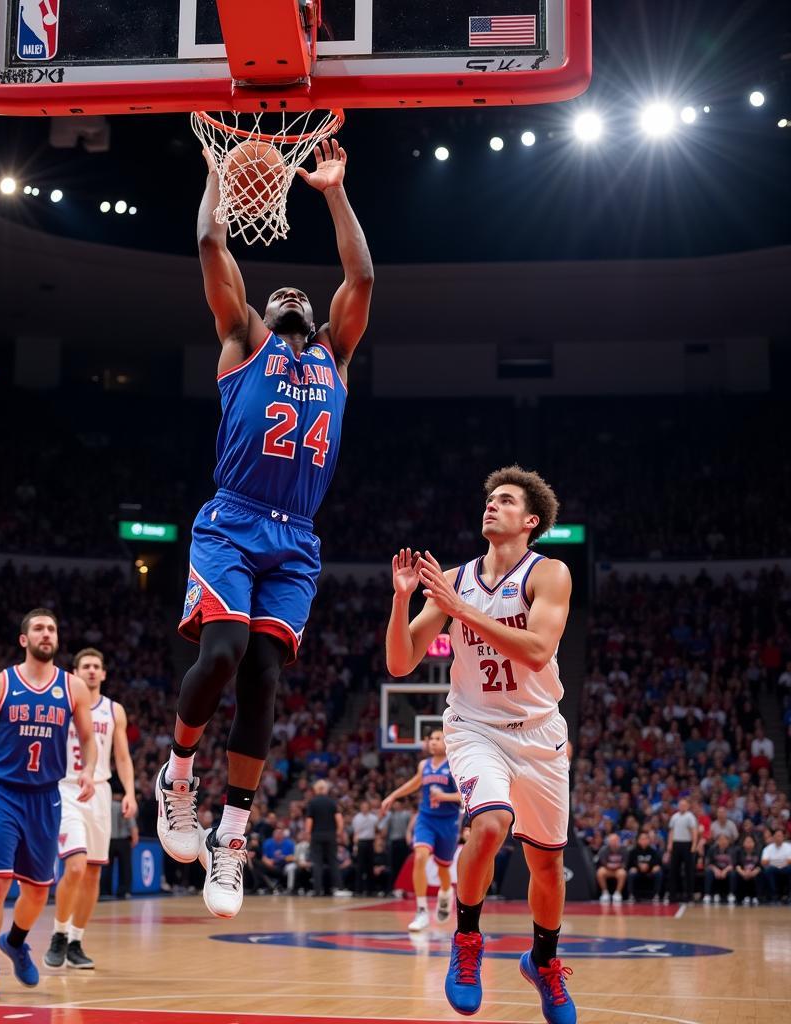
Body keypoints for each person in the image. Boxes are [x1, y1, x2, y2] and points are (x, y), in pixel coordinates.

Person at [155, 137, 374, 920]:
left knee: (265, 680)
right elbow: (212, 241)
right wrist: (217, 175)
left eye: (298, 295)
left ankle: (233, 838)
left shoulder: (336, 359)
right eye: (274, 290)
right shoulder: (243, 342)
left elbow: (362, 277)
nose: (287, 294)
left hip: (298, 538)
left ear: (313, 320)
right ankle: (178, 775)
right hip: (233, 519)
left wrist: (333, 192)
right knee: (223, 653)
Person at [386, 466, 576, 1023]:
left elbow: (538, 650)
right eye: (490, 499)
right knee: (490, 824)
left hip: (540, 733)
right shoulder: (454, 580)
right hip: (474, 727)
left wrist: (460, 610)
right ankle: (466, 940)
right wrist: (403, 602)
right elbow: (400, 662)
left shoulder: (551, 573)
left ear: (531, 520)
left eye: (507, 500)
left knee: (547, 866)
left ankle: (542, 961)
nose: (492, 505)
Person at [0, 609, 95, 1001]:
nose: (46, 633)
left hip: (46, 795)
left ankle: (16, 942)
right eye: (38, 628)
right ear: (24, 639)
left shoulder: (73, 687)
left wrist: (89, 770)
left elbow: (88, 738)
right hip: (2, 792)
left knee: (38, 890)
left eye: (52, 628)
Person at [44, 647, 136, 971]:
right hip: (66, 789)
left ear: (104, 673)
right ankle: (58, 933)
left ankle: (76, 941)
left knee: (94, 871)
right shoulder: (62, 703)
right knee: (76, 866)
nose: (92, 671)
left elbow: (122, 757)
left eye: (97, 666)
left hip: (100, 791)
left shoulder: (114, 710)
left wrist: (129, 792)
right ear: (75, 672)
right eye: (86, 666)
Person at [380, 729, 460, 931]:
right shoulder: (424, 765)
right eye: (431, 739)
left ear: (447, 742)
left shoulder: (455, 765)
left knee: (443, 869)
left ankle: (445, 892)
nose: (433, 742)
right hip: (426, 818)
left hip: (448, 822)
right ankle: (422, 910)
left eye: (438, 739)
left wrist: (444, 797)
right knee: (420, 857)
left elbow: (464, 796)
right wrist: (393, 796)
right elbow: (413, 784)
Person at [305, 779, 343, 897]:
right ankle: (337, 889)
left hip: (316, 836)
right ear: (326, 789)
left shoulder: (312, 803)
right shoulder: (332, 802)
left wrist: (308, 834)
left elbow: (309, 821)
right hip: (331, 835)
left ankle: (317, 890)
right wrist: (338, 833)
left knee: (317, 863)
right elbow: (339, 820)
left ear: (316, 789)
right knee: (333, 862)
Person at [666, 798, 699, 904]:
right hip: (676, 844)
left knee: (689, 871)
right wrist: (670, 844)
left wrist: (694, 844)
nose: (682, 807)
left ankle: (689, 895)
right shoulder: (674, 817)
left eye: (684, 805)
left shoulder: (690, 817)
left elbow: (694, 831)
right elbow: (671, 831)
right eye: (680, 805)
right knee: (674, 870)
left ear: (688, 806)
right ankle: (673, 895)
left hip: (687, 844)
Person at [626, 831, 663, 903]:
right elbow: (630, 863)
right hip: (638, 871)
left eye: (646, 839)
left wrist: (650, 866)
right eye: (642, 839)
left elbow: (658, 862)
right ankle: (631, 895)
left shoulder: (653, 851)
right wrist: (637, 866)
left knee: (658, 872)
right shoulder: (633, 851)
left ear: (649, 840)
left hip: (650, 871)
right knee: (631, 872)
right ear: (638, 840)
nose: (644, 840)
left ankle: (656, 894)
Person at [761, 827, 791, 903]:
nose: (778, 838)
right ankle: (774, 895)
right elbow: (764, 862)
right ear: (773, 837)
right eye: (776, 836)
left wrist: (772, 861)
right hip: (773, 869)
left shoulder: (789, 847)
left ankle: (789, 895)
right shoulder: (768, 848)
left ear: (783, 837)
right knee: (768, 870)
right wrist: (781, 861)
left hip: (786, 868)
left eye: (780, 836)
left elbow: (790, 861)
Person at [595, 833, 628, 904]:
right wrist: (611, 866)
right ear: (609, 841)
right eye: (612, 841)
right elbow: (603, 862)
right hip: (608, 870)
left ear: (618, 841)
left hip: (618, 870)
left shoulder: (623, 849)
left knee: (622, 873)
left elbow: (625, 863)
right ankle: (605, 892)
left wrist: (616, 866)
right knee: (600, 872)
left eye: (615, 840)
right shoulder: (604, 849)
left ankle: (618, 893)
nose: (614, 842)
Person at [704, 834, 735, 904]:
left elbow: (733, 864)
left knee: (733, 873)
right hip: (716, 869)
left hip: (727, 870)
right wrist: (716, 870)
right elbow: (708, 863)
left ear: (728, 841)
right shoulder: (712, 849)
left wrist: (725, 871)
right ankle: (707, 895)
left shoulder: (732, 850)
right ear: (717, 841)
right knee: (708, 872)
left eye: (724, 840)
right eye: (720, 840)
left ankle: (731, 894)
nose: (723, 841)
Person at [734, 834, 762, 905]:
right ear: (743, 843)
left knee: (759, 875)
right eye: (747, 842)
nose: (749, 844)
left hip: (754, 872)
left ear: (754, 843)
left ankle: (755, 897)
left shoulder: (758, 852)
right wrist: (743, 872)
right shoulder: (739, 852)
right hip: (743, 872)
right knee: (737, 876)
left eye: (750, 842)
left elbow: (760, 865)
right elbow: (737, 865)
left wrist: (753, 872)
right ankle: (744, 897)